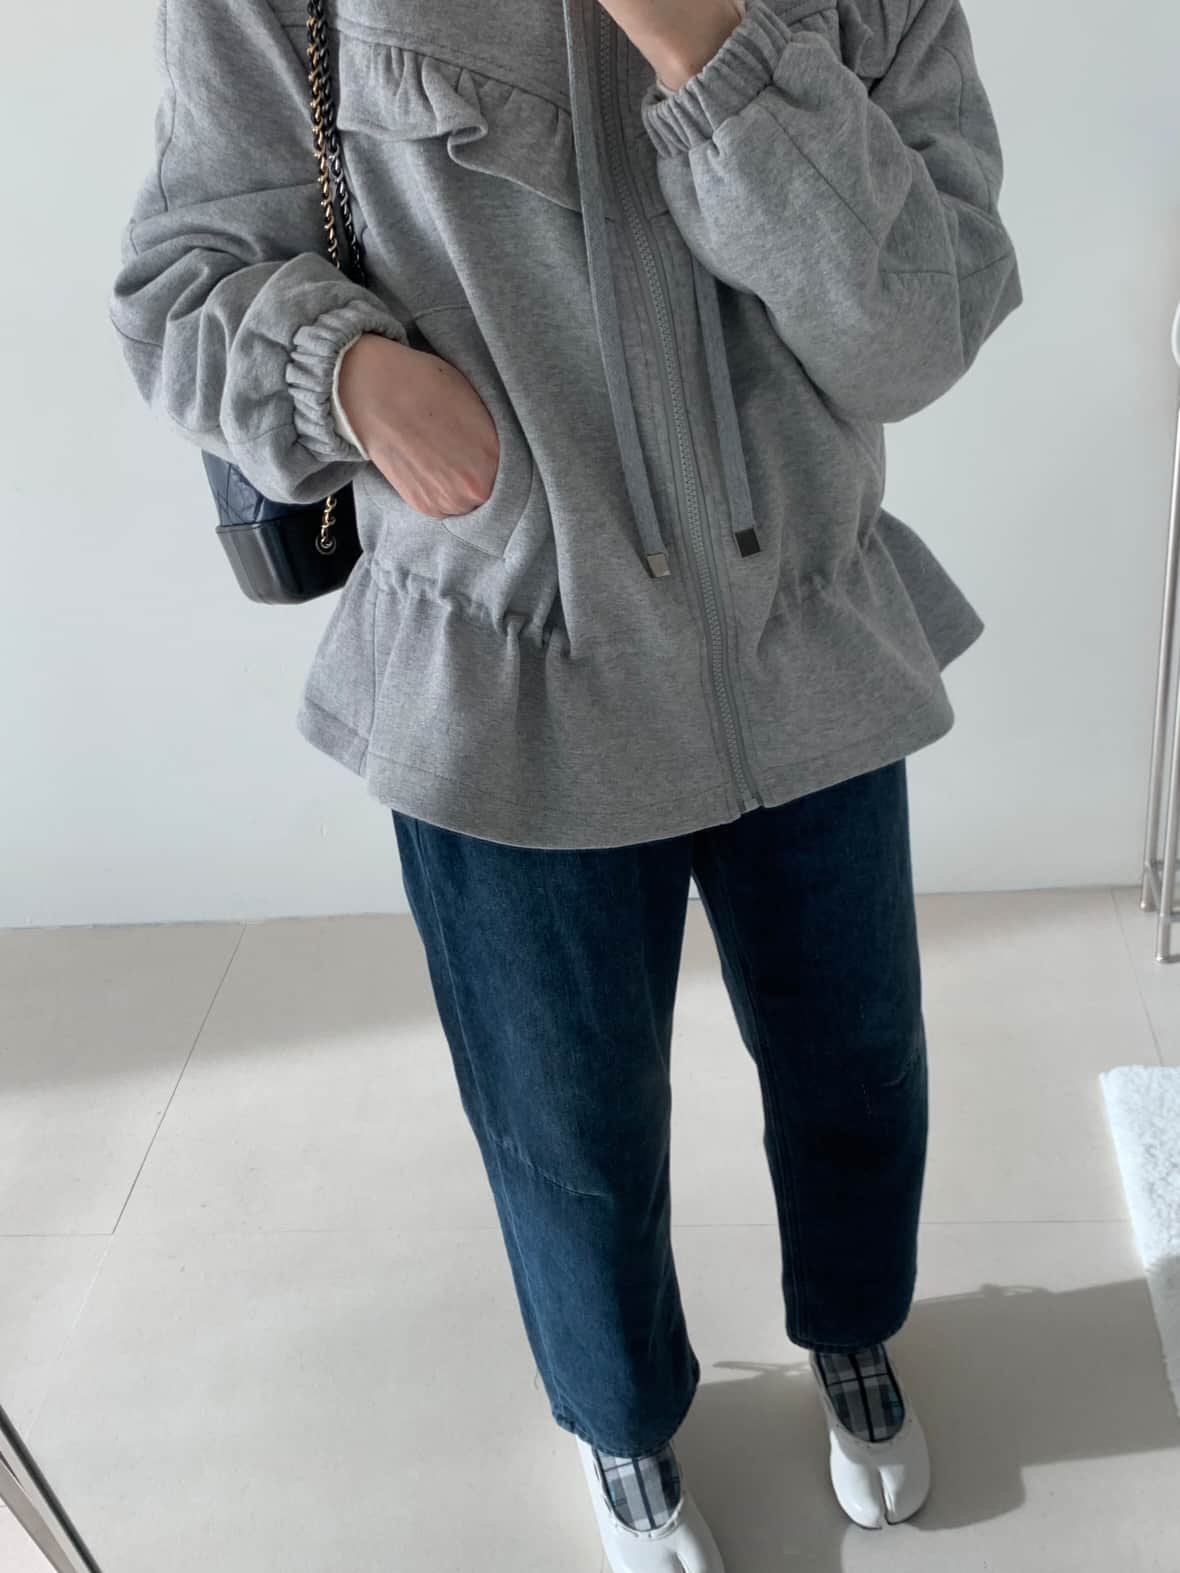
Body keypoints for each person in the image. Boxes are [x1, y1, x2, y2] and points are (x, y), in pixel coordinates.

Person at [108, 0, 1021, 1564]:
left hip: (796, 631)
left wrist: (713, 51)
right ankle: (624, 1426)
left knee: (857, 1059)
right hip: (505, 667)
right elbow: (183, 276)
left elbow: (919, 325)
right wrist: (345, 376)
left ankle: (856, 1327)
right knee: (564, 1126)